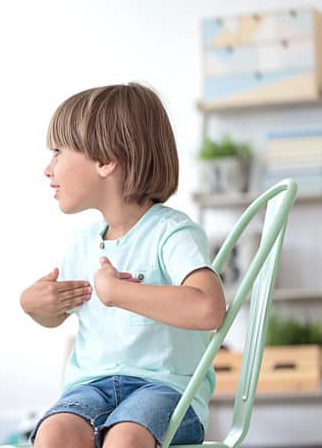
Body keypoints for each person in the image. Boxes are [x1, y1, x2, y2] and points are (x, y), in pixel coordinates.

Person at [20, 83, 226, 448]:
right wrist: (37, 305)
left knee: (126, 438)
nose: (47, 168)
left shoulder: (171, 232)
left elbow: (209, 309)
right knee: (53, 433)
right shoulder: (82, 243)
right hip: (91, 387)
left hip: (166, 389)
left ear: (105, 160)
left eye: (58, 152)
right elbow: (59, 313)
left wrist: (120, 292)